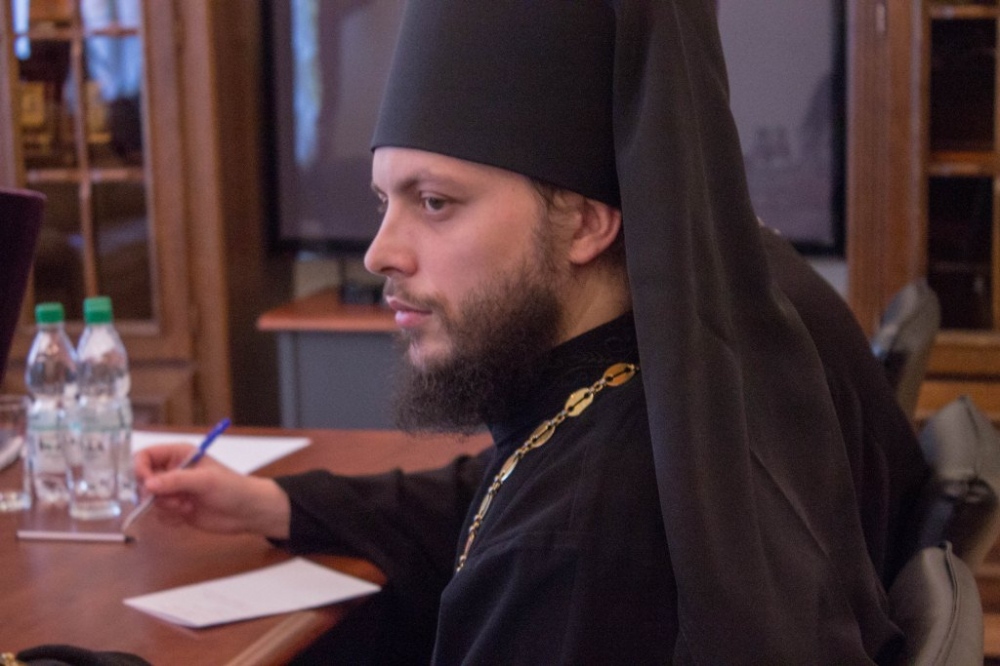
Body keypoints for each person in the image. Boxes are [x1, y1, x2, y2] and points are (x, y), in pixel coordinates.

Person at [135, 1, 927, 663]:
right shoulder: (684, 349)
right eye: (383, 201)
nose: (380, 252)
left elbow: (537, 524)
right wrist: (271, 504)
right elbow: (504, 485)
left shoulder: (572, 548)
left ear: (584, 221)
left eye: (434, 202)